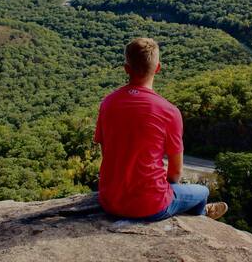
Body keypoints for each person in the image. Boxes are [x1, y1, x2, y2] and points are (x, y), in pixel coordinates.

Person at [94, 37, 228, 221]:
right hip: (150, 206)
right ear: (158, 68)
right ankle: (202, 215)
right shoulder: (169, 111)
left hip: (109, 201)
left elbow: (107, 153)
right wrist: (168, 190)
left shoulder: (108, 103)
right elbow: (175, 172)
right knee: (203, 191)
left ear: (126, 69)